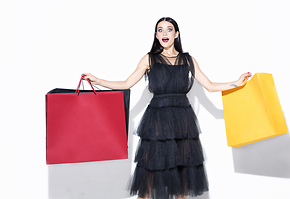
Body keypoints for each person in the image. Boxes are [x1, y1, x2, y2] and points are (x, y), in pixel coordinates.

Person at [83, 17, 251, 199]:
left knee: (181, 179)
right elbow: (126, 83)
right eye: (160, 30)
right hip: (157, 121)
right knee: (148, 176)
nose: (164, 33)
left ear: (176, 34)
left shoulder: (188, 60)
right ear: (156, 35)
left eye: (168, 29)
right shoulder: (149, 59)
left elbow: (210, 86)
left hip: (182, 122)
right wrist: (98, 80)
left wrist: (236, 82)